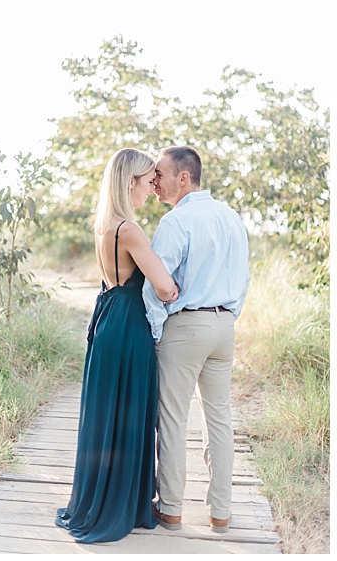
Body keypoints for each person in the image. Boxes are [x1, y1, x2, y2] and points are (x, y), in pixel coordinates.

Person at [54, 148, 179, 543]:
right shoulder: (130, 229)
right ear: (130, 183)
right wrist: (177, 287)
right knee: (127, 414)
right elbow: (163, 286)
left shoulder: (104, 225)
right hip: (128, 325)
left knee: (108, 412)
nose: (151, 188)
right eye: (147, 181)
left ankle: (99, 498)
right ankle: (120, 505)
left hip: (107, 319)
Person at [143, 146, 250, 534]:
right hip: (224, 327)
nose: (155, 183)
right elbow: (244, 278)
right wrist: (228, 316)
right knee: (219, 419)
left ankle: (170, 509)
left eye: (160, 175)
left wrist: (156, 333)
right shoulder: (232, 217)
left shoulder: (176, 221)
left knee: (172, 419)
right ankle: (220, 512)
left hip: (186, 327)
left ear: (183, 178)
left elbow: (158, 286)